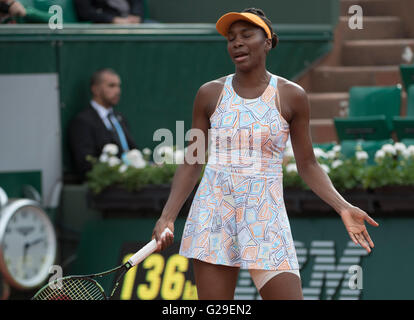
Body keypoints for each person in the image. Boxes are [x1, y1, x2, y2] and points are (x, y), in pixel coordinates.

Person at [151, 8, 380, 300]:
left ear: (268, 42)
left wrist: (343, 206)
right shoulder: (209, 94)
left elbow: (307, 163)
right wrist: (167, 216)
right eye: (231, 38)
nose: (236, 43)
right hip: (213, 215)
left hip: (265, 217)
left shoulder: (292, 95)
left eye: (247, 35)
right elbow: (193, 159)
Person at [68, 68, 137, 181]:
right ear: (95, 89)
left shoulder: (119, 118)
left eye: (118, 86)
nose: (117, 91)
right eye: (111, 86)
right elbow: (86, 164)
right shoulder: (82, 122)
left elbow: (131, 149)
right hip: (105, 189)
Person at [74, 0, 143, 24]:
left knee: (152, 27)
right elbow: (85, 12)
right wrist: (112, 19)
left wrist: (135, 14)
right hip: (105, 25)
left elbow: (136, 2)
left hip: (132, 22)